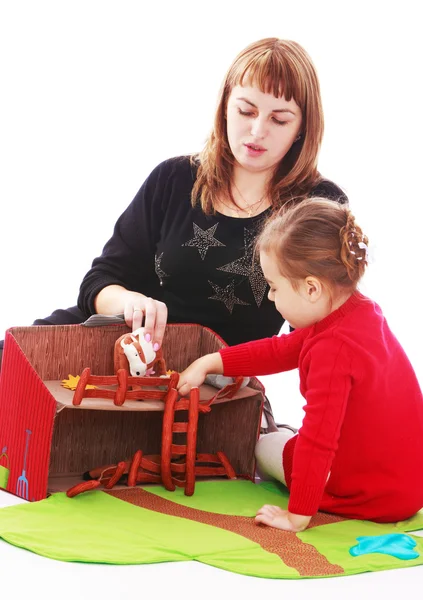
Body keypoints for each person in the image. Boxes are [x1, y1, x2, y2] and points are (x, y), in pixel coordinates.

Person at [31, 38, 347, 430]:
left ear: (302, 127)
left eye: (279, 119)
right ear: (225, 106)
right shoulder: (175, 177)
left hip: (210, 382)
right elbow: (98, 283)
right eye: (245, 110)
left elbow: (323, 336)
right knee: (11, 364)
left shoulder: (319, 205)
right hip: (113, 353)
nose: (257, 130)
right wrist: (129, 301)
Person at [176, 198, 423, 532]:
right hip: (408, 488)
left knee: (265, 447)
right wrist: (212, 361)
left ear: (311, 289)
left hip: (368, 496)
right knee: (295, 438)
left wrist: (297, 517)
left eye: (275, 287)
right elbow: (281, 350)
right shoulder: (360, 313)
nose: (270, 298)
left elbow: (319, 442)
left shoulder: (333, 350)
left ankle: (302, 475)